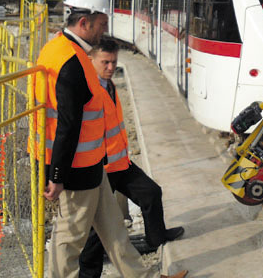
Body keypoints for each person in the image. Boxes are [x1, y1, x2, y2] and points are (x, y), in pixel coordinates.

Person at [37, 0, 186, 278]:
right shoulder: (70, 62)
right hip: (76, 171)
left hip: (93, 167)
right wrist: (57, 175)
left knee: (115, 234)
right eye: (101, 24)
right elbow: (67, 126)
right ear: (84, 22)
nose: (104, 31)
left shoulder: (62, 49)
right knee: (69, 241)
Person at [79, 37, 184, 278]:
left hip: (119, 162)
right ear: (90, 59)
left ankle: (156, 238)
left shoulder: (109, 84)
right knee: (95, 232)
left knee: (151, 193)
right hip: (99, 169)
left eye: (114, 62)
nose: (110, 67)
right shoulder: (88, 89)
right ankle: (88, 274)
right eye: (105, 62)